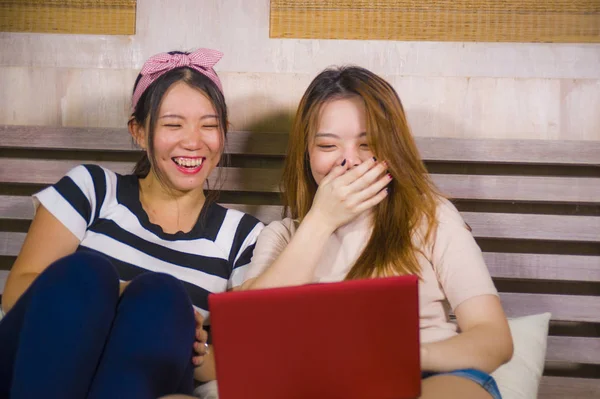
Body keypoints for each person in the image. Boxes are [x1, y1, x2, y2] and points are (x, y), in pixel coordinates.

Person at [0, 48, 263, 399]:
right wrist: (116, 296)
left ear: (224, 133)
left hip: (139, 380)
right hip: (35, 367)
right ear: (138, 132)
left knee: (165, 299)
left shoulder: (242, 237)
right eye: (173, 124)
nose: (193, 141)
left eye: (209, 125)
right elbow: (19, 291)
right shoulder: (93, 189)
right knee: (87, 274)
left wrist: (186, 339)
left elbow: (247, 360)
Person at [241, 66, 513, 399]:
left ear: (391, 149)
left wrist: (405, 357)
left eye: (367, 144)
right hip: (324, 382)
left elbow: (494, 338)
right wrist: (320, 221)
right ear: (306, 154)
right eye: (328, 146)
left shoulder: (430, 217)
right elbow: (248, 332)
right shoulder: (283, 236)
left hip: (429, 375)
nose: (350, 162)